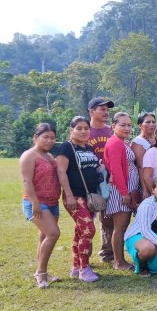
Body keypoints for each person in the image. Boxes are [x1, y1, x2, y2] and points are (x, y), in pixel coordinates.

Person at [56, 117, 102, 283]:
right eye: (79, 128)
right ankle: (84, 269)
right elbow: (61, 172)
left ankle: (76, 267)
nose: (83, 131)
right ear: (71, 130)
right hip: (75, 195)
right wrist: (68, 195)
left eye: (86, 128)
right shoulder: (66, 147)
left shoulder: (89, 148)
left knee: (80, 231)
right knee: (88, 229)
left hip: (89, 197)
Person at [20, 123, 61, 288]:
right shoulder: (29, 155)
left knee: (45, 236)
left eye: (52, 137)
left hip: (52, 202)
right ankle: (41, 273)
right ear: (35, 137)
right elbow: (26, 180)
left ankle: (42, 270)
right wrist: (35, 202)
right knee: (53, 234)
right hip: (36, 203)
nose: (49, 140)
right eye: (45, 137)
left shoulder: (50, 156)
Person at [104, 112, 139, 270]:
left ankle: (121, 260)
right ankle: (119, 262)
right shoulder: (114, 143)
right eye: (122, 125)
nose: (126, 128)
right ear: (113, 126)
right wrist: (124, 192)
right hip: (120, 191)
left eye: (129, 125)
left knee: (123, 226)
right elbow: (116, 170)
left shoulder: (123, 142)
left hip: (127, 190)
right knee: (120, 227)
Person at [87, 97, 115, 263]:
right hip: (88, 182)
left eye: (107, 109)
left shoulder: (110, 131)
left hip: (108, 182)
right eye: (102, 109)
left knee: (107, 219)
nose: (106, 112)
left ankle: (107, 254)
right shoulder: (84, 129)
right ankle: (84, 257)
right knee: (87, 221)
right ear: (91, 111)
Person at [131, 112, 157, 196]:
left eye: (153, 122)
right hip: (146, 183)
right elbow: (141, 167)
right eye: (148, 122)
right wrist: (145, 190)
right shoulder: (138, 142)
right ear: (140, 125)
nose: (151, 124)